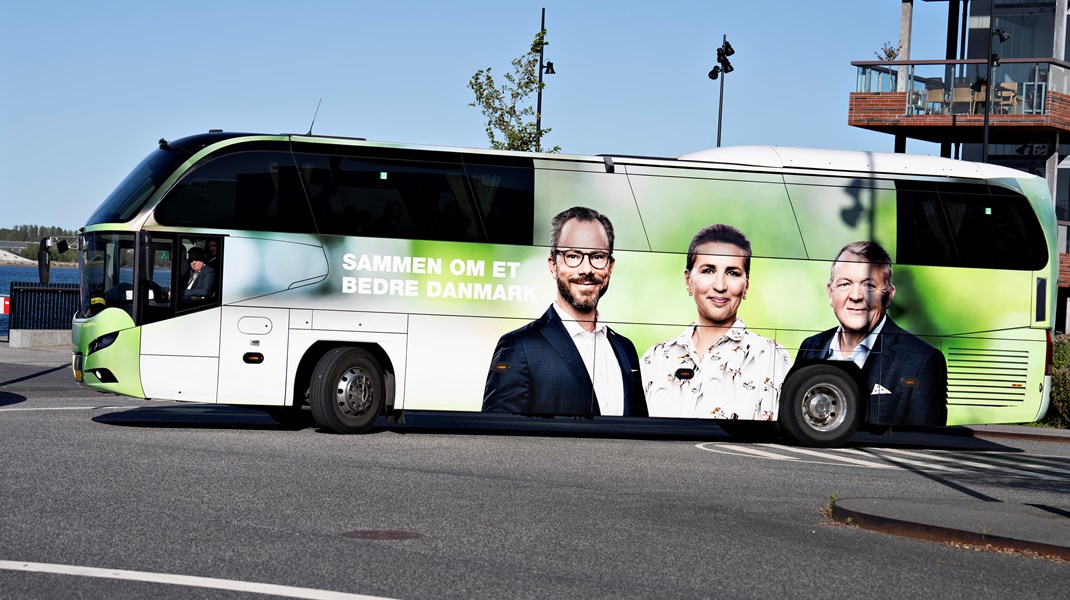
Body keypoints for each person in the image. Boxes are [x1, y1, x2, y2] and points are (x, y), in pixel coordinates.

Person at [482, 206, 647, 417]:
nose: (586, 269)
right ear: (553, 265)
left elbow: (641, 435)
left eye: (597, 256)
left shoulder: (625, 349)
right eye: (573, 256)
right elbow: (497, 440)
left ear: (610, 266)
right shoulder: (519, 347)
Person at [641, 224, 791, 420]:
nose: (720, 286)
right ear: (688, 280)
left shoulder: (770, 357)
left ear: (746, 286)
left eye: (732, 273)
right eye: (708, 271)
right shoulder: (655, 358)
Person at [797, 241, 947, 426]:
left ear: (889, 295)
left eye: (868, 285)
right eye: (845, 284)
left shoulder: (923, 361)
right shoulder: (810, 347)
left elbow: (927, 444)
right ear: (830, 293)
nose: (856, 296)